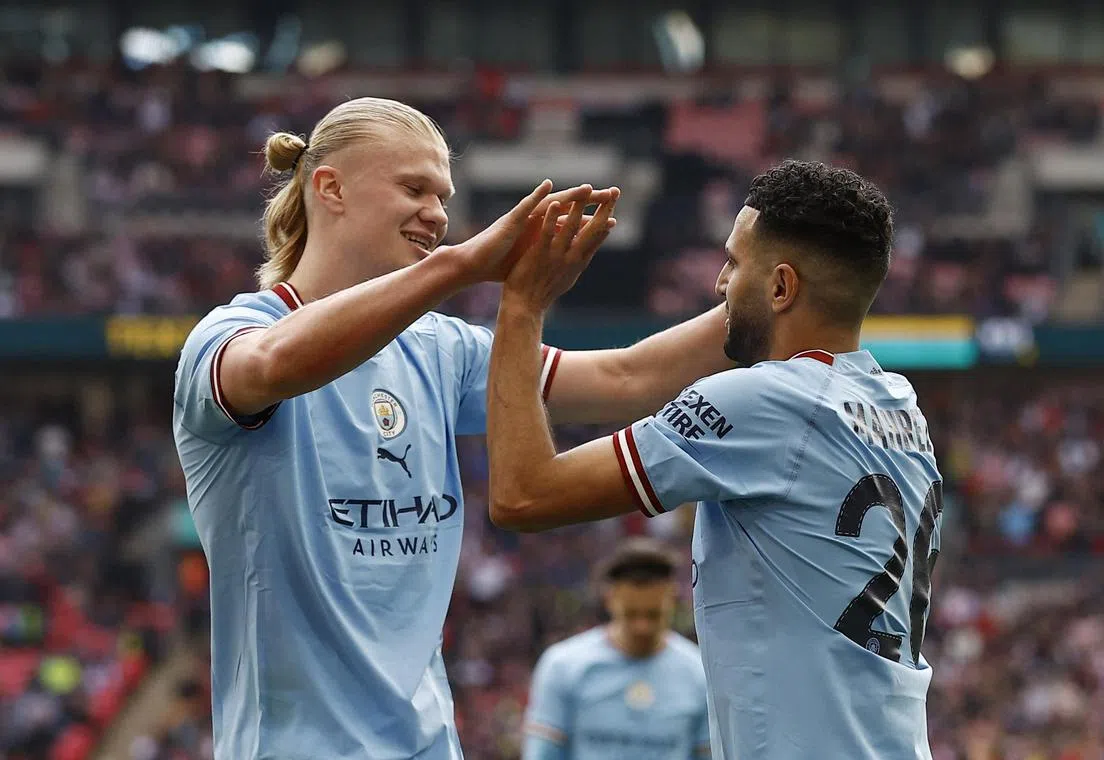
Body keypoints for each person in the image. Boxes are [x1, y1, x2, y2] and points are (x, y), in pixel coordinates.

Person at [172, 97, 731, 760]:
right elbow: (274, 365)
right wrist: (460, 266)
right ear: (330, 188)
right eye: (414, 189)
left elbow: (626, 378)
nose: (437, 215)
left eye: (443, 196)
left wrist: (771, 297)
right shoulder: (232, 336)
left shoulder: (442, 348)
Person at [484, 160, 945, 759]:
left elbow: (523, 494)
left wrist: (522, 303)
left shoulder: (765, 402)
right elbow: (632, 373)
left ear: (780, 287)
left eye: (733, 262)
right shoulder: (899, 404)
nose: (719, 283)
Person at [523, 538, 709, 760]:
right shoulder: (562, 667)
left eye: (653, 615)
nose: (642, 627)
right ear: (609, 598)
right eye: (631, 614)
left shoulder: (699, 674)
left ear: (673, 599)